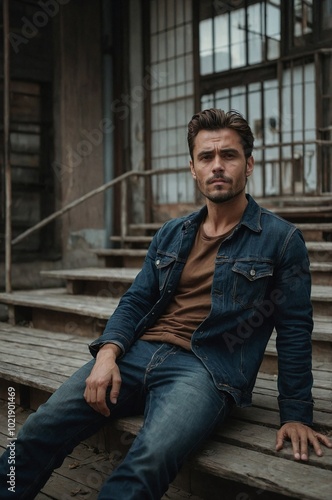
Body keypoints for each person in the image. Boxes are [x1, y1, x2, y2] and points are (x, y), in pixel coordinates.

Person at [1, 109, 331, 500]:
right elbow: (137, 298)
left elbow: (295, 329)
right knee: (40, 427)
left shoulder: (281, 240)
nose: (218, 165)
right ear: (193, 168)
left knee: (148, 458)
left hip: (206, 369)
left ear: (250, 164)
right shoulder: (173, 233)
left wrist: (296, 415)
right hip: (135, 354)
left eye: (229, 155)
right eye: (206, 157)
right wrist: (108, 353)